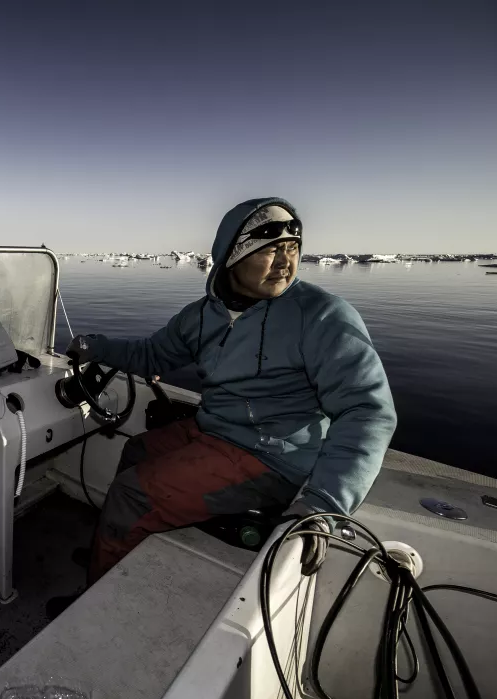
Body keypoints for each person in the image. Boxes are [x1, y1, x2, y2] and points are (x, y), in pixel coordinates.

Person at [66, 197, 397, 591]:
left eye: (292, 249)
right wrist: (97, 346)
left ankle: (99, 590)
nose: (285, 262)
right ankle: (118, 543)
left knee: (130, 493)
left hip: (274, 457)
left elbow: (367, 410)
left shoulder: (322, 315)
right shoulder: (202, 315)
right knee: (136, 451)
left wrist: (323, 505)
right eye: (269, 250)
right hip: (216, 432)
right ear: (231, 256)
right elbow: (152, 354)